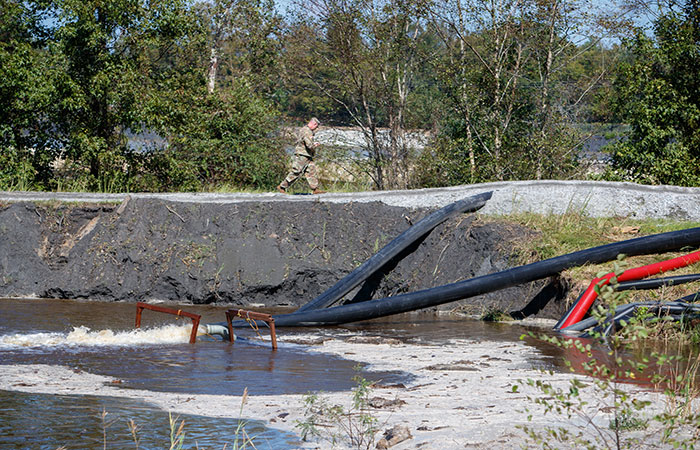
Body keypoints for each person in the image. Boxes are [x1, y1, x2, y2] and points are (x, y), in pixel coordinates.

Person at [277, 117, 325, 194]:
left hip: (306, 154)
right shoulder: (307, 131)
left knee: (311, 171)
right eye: (316, 126)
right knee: (297, 171)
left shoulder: (305, 130)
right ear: (314, 124)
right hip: (303, 154)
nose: (316, 128)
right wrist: (315, 145)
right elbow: (309, 145)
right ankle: (282, 186)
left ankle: (315, 189)